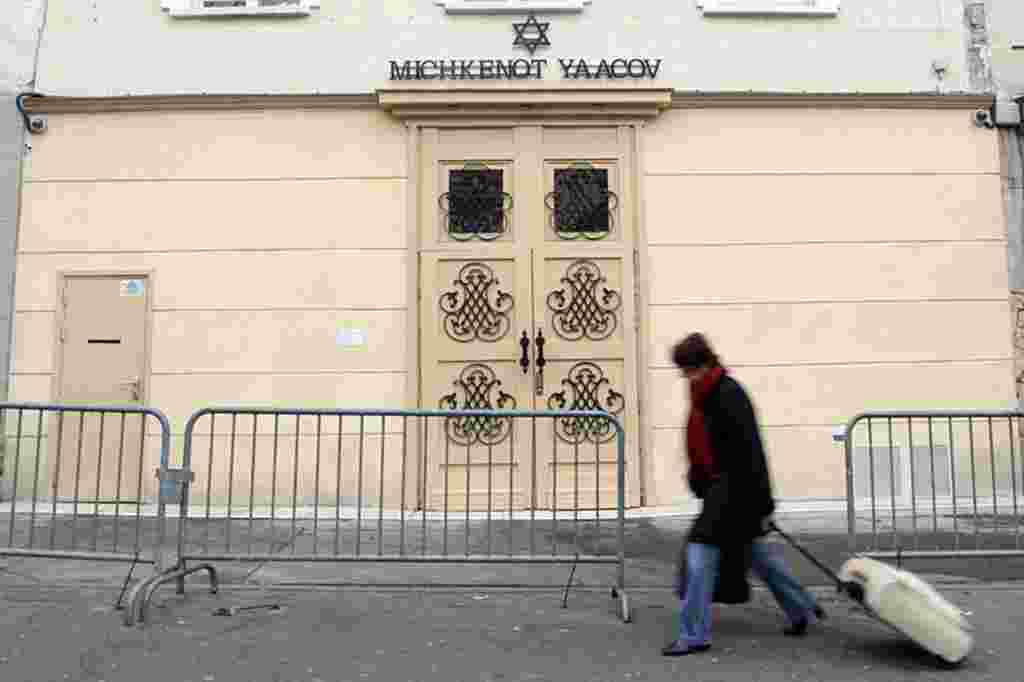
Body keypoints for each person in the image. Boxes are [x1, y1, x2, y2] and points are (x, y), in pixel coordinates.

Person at [663, 333, 825, 657]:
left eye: (688, 369)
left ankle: (694, 634)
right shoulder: (705, 393)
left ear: (704, 363)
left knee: (699, 555)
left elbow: (752, 454)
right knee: (759, 558)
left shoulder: (729, 395)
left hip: (734, 496)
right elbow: (704, 448)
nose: (685, 376)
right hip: (724, 495)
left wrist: (763, 504)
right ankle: (802, 610)